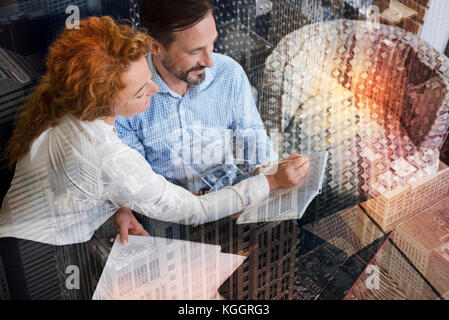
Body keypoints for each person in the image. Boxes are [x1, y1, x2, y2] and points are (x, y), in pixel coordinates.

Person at [0, 16, 310, 247]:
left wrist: (115, 205)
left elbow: (82, 182)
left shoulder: (69, 107)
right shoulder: (109, 157)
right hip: (36, 254)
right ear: (104, 101)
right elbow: (195, 210)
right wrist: (270, 182)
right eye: (139, 92)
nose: (154, 88)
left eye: (148, 76)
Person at [115, 0, 279, 196]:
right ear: (155, 46)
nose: (209, 61)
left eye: (211, 44)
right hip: (168, 216)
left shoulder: (228, 72)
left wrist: (272, 173)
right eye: (195, 51)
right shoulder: (128, 97)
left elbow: (253, 138)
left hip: (232, 196)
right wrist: (217, 202)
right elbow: (140, 185)